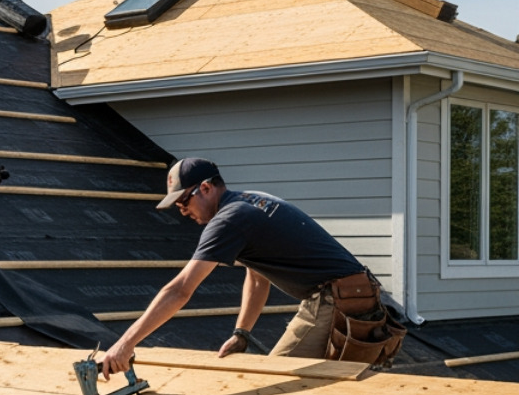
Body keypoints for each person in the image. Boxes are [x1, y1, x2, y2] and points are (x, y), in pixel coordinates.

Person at [99, 158, 378, 377]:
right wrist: (241, 333)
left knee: (273, 378)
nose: (183, 211)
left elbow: (180, 290)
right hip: (351, 295)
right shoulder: (248, 202)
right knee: (315, 383)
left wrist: (125, 345)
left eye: (184, 201)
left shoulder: (228, 219)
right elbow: (257, 279)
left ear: (205, 188)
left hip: (337, 300)